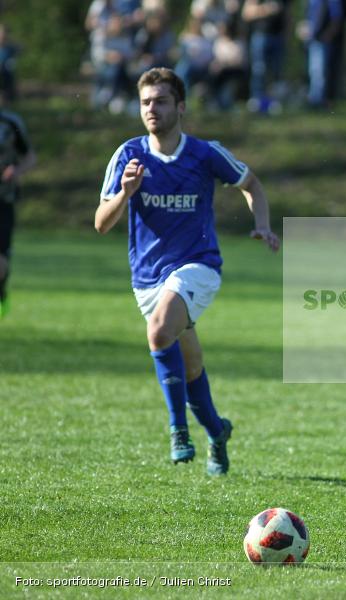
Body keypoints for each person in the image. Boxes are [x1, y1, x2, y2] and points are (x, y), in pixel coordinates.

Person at [95, 68, 280, 476]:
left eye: (161, 101)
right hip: (147, 278)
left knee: (159, 330)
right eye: (145, 102)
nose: (152, 109)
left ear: (180, 107)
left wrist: (262, 225)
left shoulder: (204, 153)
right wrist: (125, 193)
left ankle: (178, 430)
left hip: (199, 266)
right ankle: (217, 431)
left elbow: (251, 183)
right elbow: (101, 223)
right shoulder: (128, 155)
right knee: (189, 365)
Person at [0, 101, 36, 318]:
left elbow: (30, 157)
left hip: (4, 200)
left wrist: (16, 170)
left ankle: (1, 290)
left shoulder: (10, 123)